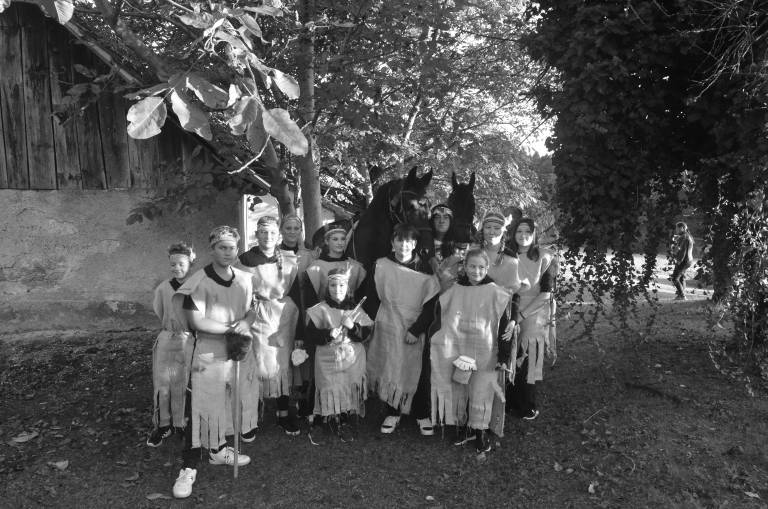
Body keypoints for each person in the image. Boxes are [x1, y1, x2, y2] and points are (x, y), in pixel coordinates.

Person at [171, 226, 254, 499]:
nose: (228, 252)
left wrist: (246, 322)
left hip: (235, 351)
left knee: (227, 402)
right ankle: (189, 466)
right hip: (208, 352)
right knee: (200, 407)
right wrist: (232, 328)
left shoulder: (244, 279)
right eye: (222, 247)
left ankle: (217, 450)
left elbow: (252, 310)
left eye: (232, 248)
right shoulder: (199, 281)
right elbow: (197, 321)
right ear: (212, 249)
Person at [428, 249, 513, 452]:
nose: (476, 271)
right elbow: (442, 315)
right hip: (458, 347)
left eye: (481, 267)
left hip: (486, 350)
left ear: (487, 268)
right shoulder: (454, 290)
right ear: (465, 267)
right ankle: (464, 426)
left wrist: (504, 356)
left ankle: (480, 430)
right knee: (459, 387)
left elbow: (503, 326)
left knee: (481, 390)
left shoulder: (496, 292)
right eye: (472, 266)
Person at [365, 223, 440, 435]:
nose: (403, 245)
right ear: (392, 242)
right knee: (391, 366)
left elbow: (431, 306)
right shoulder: (381, 265)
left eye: (408, 241)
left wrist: (416, 330)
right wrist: (372, 324)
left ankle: (421, 413)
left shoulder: (425, 271)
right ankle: (393, 412)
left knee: (417, 370)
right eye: (399, 239)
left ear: (414, 244)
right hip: (387, 324)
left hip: (413, 327)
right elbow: (372, 297)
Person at [236, 215, 303, 436]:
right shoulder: (245, 260)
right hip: (257, 316)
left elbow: (297, 292)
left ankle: (283, 414)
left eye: (273, 232)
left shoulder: (289, 259)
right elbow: (240, 292)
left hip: (284, 317)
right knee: (257, 364)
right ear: (257, 234)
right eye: (264, 232)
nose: (268, 236)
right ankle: (252, 416)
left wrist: (298, 328)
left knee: (281, 366)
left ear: (278, 234)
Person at [304, 268, 373, 441]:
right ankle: (326, 418)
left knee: (348, 386)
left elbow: (365, 334)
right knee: (329, 386)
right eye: (333, 285)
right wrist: (327, 334)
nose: (337, 289)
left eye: (341, 285)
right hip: (327, 359)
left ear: (347, 287)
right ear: (327, 287)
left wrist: (352, 327)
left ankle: (346, 419)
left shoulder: (356, 310)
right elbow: (311, 335)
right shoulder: (319, 309)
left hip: (351, 359)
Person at [506, 218, 557, 421]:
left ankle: (527, 404)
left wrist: (521, 315)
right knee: (508, 354)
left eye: (528, 231)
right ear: (513, 233)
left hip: (534, 312)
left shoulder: (545, 257)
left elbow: (546, 293)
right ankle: (508, 400)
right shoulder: (506, 255)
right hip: (507, 309)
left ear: (534, 234)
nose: (523, 235)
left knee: (528, 357)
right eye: (519, 231)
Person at [147, 242, 196, 447]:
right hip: (167, 338)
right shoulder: (163, 288)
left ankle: (181, 422)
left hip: (188, 340)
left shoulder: (196, 286)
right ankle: (163, 424)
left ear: (190, 263)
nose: (177, 268)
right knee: (163, 382)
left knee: (182, 382)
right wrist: (170, 327)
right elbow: (159, 310)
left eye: (181, 264)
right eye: (173, 264)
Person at [671, 221, 694, 300]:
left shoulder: (684, 237)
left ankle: (682, 296)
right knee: (681, 278)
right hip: (689, 260)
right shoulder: (687, 236)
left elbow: (682, 251)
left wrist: (679, 260)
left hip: (684, 260)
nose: (676, 230)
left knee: (675, 278)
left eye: (677, 228)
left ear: (683, 228)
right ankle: (680, 295)